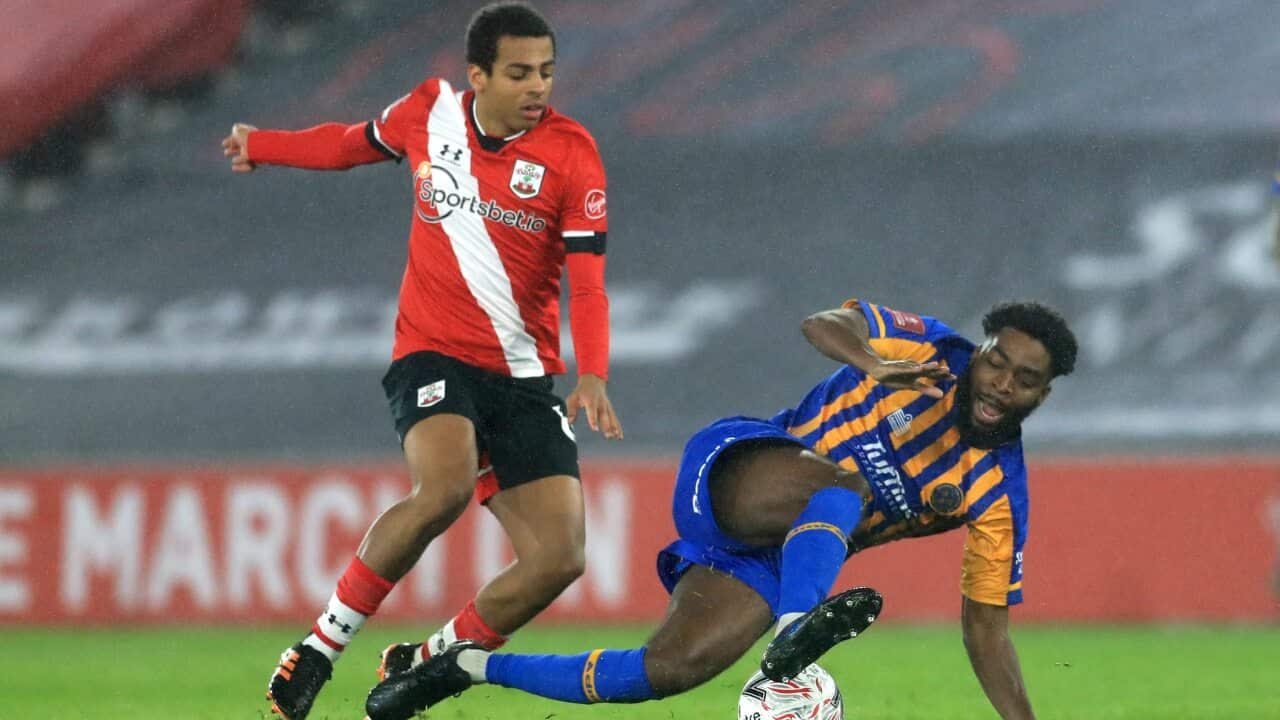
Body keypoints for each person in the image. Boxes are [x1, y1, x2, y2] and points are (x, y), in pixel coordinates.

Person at [364, 297, 1079, 720]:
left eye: (1024, 380)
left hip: (776, 554)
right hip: (742, 470)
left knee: (665, 670)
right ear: (979, 352)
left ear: (1042, 396)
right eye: (995, 361)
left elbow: (986, 631)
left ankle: (462, 670)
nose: (999, 384)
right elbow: (822, 322)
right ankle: (798, 635)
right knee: (848, 487)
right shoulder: (926, 348)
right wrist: (872, 362)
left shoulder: (997, 498)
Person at [220, 4, 623, 719]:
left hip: (524, 376)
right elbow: (347, 144)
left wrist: (593, 371)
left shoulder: (572, 152)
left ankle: (426, 661)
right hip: (433, 351)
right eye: (520, 73)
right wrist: (263, 144)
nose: (538, 87)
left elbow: (586, 278)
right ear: (478, 75)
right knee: (441, 487)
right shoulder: (427, 111)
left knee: (560, 559)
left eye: (548, 72)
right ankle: (318, 647)